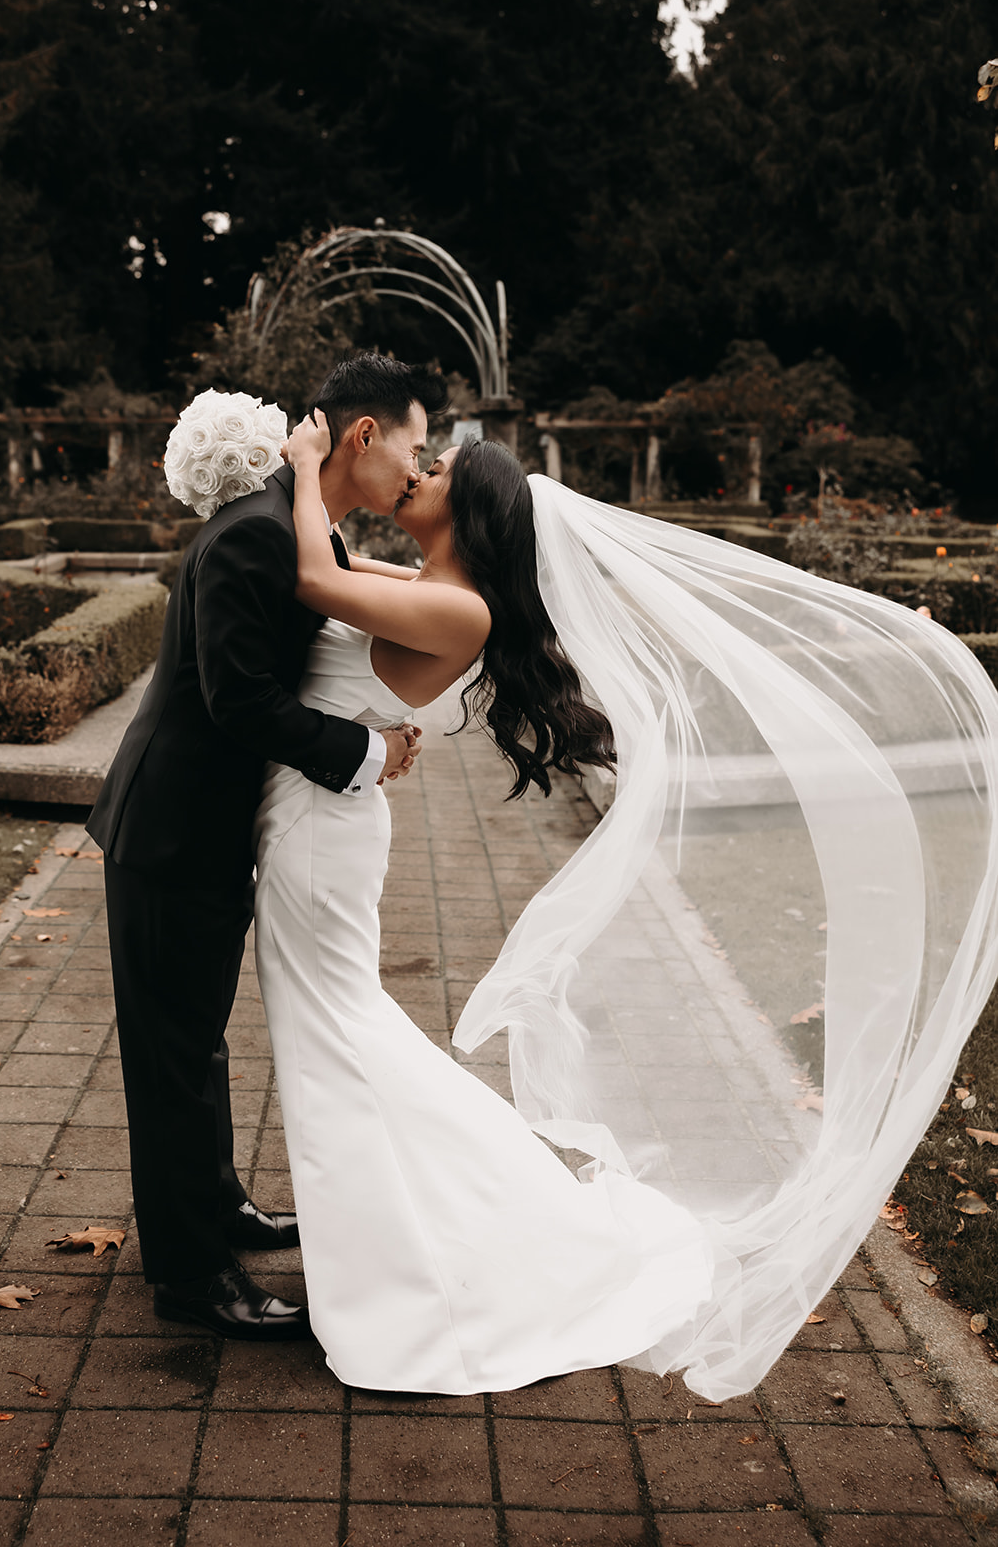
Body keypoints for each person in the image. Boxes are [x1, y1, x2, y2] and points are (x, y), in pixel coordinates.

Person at [254, 412, 998, 1398]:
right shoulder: (433, 588)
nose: (417, 474)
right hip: (325, 824)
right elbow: (337, 572)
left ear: (468, 515)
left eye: (435, 470)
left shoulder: (458, 609)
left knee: (342, 1035)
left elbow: (311, 577)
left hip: (323, 839)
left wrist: (305, 464)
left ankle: (474, 1241)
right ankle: (394, 1241)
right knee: (336, 1034)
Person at [86, 355, 447, 1339]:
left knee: (195, 1040)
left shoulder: (294, 524)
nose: (416, 470)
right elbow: (236, 698)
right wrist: (366, 752)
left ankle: (214, 1207)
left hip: (205, 829)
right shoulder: (255, 532)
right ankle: (192, 1280)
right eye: (413, 447)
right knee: (171, 1056)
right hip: (168, 831)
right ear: (363, 436)